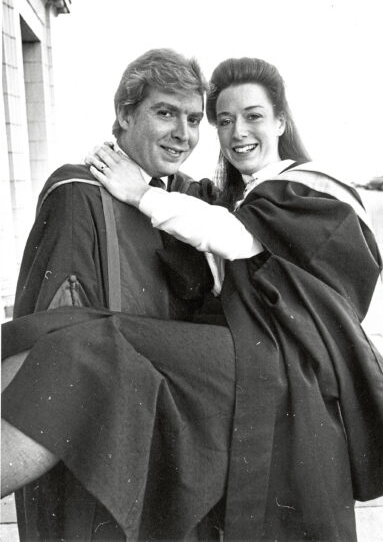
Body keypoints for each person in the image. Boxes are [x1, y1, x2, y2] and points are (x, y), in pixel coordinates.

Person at [2, 56, 383, 541]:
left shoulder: (307, 189)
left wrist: (140, 193)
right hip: (255, 355)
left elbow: (235, 237)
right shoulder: (233, 194)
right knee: (65, 347)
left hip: (279, 359)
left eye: (252, 116)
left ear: (281, 121)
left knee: (82, 351)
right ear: (125, 114)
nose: (236, 131)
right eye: (223, 120)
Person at [1, 48, 221, 541]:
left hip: (168, 429)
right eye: (165, 112)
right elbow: (64, 340)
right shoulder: (79, 194)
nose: (182, 134)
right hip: (103, 439)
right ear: (124, 114)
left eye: (193, 119)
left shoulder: (182, 199)